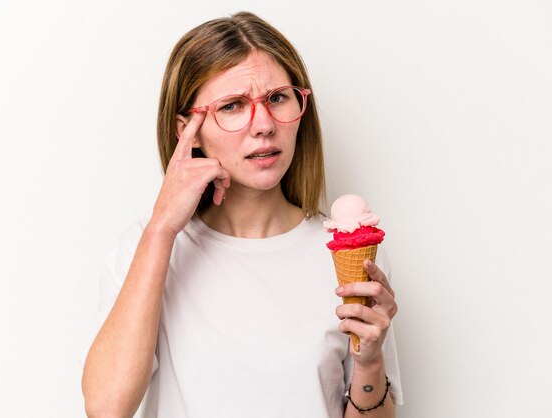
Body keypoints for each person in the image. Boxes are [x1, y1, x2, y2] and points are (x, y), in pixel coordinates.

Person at [82, 11, 402, 418]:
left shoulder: (347, 256)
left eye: (277, 98)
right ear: (187, 130)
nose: (264, 125)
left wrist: (370, 362)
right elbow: (107, 409)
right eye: (232, 106)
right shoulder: (143, 250)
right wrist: (162, 228)